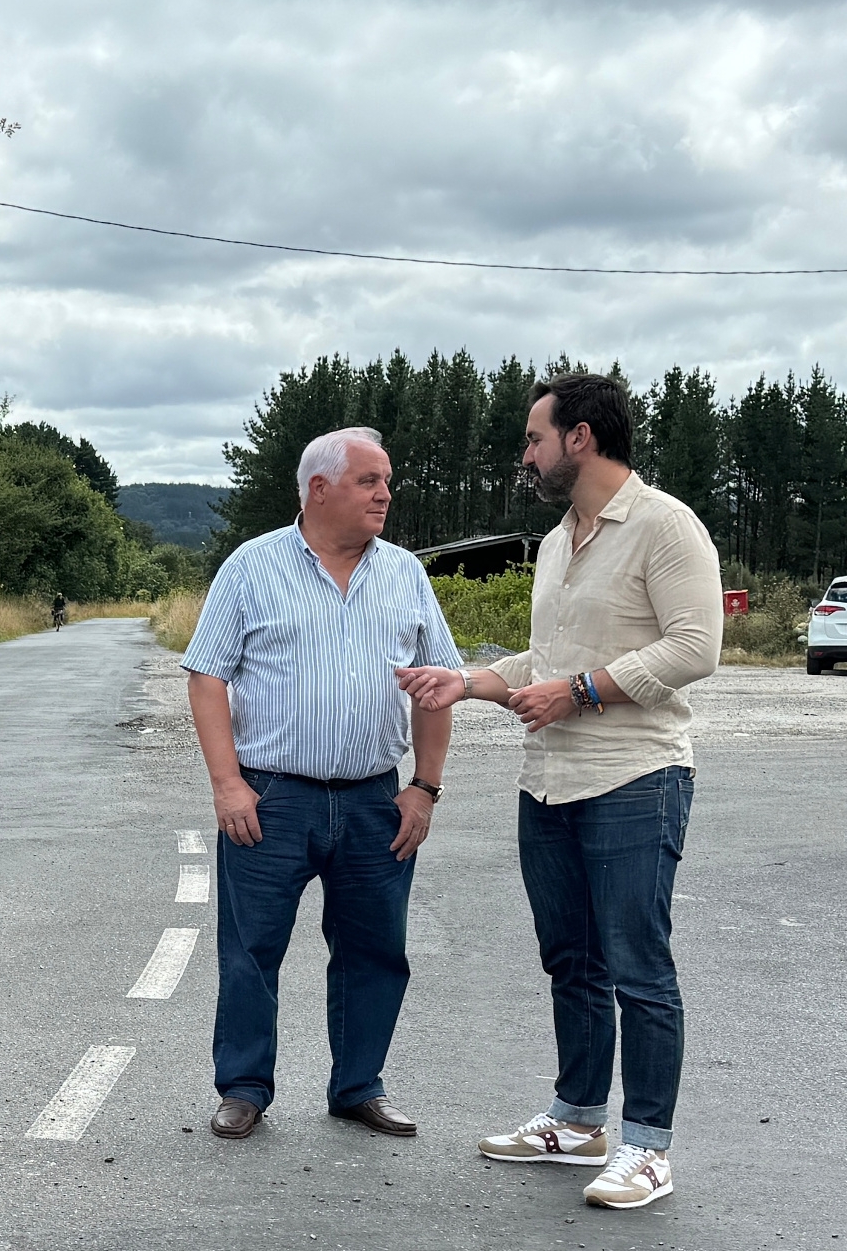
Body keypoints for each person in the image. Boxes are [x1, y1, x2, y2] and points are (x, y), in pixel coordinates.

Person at [398, 374, 719, 1211]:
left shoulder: (665, 525)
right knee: (570, 961)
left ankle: (648, 1146)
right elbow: (538, 667)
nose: (526, 455)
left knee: (638, 967)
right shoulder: (555, 539)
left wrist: (580, 692)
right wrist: (463, 680)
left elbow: (696, 647)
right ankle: (580, 1122)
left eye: (534, 439)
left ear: (580, 437)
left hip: (635, 779)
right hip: (547, 785)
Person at [183, 426, 460, 1141]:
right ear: (319, 488)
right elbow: (207, 675)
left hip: (377, 798)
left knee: (375, 948)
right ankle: (244, 1087)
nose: (385, 494)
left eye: (387, 480)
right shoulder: (251, 567)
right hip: (271, 796)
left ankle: (358, 1084)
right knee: (250, 949)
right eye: (370, 480)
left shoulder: (406, 575)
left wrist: (425, 787)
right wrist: (227, 785)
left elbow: (439, 687)